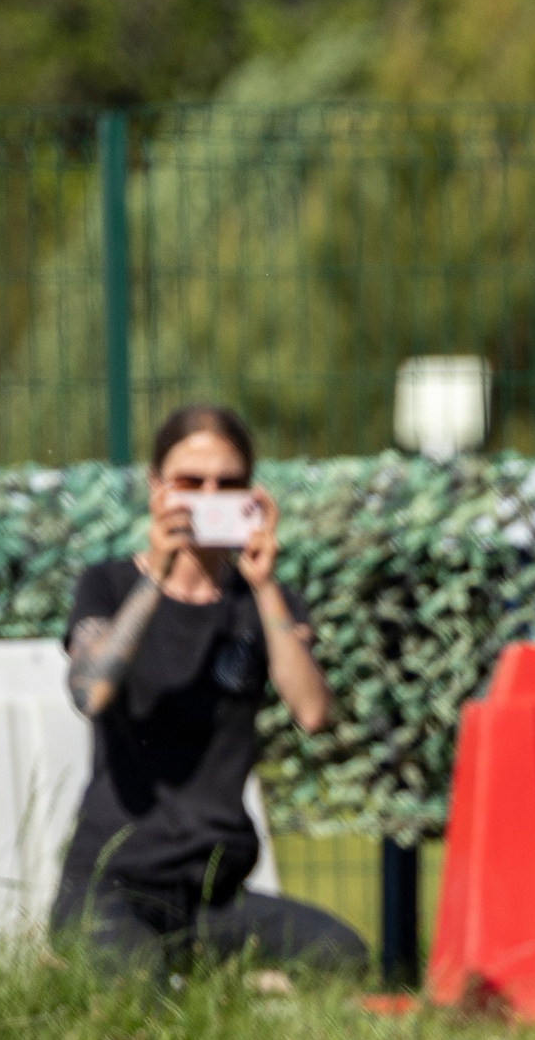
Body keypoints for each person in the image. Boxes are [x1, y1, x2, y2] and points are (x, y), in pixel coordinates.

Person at [54, 403, 368, 978]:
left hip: (212, 895)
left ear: (251, 494)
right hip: (114, 886)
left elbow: (313, 711)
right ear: (156, 488)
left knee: (341, 957)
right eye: (189, 483)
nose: (207, 497)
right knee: (136, 991)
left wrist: (265, 584)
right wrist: (159, 577)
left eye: (226, 485)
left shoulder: (262, 603)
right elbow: (92, 693)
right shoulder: (110, 585)